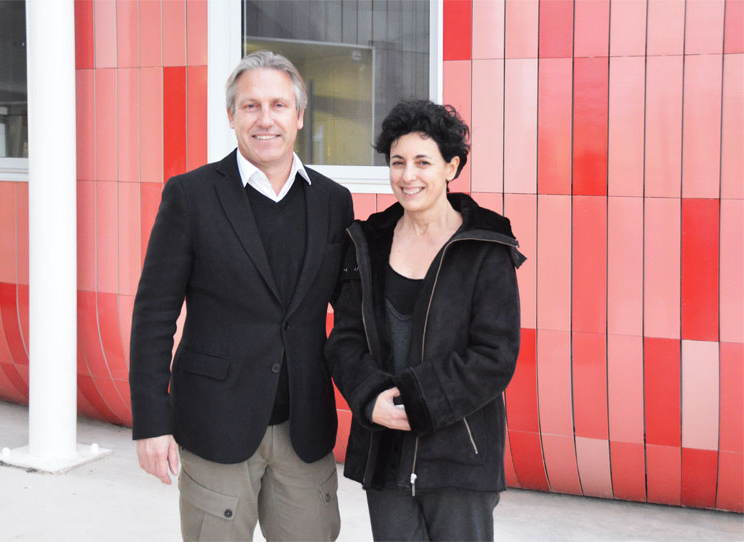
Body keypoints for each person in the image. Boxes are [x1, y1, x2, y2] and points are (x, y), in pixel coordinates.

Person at [129, 50, 353, 541]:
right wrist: (151, 421)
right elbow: (154, 314)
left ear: (299, 115)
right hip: (215, 423)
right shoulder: (190, 196)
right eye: (250, 106)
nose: (265, 119)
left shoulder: (334, 201)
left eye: (278, 104)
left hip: (305, 428)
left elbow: (353, 313)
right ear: (230, 116)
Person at [325, 99, 524, 541]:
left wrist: (418, 401)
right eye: (397, 162)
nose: (407, 176)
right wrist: (371, 397)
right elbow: (344, 340)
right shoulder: (366, 242)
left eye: (422, 161)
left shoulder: (485, 247)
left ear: (451, 167)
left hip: (461, 457)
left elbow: (496, 355)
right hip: (385, 450)